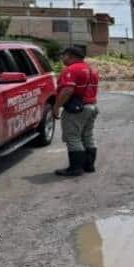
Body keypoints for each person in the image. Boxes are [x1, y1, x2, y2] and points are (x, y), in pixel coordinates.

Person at [54, 46, 99, 177]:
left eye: (63, 55)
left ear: (70, 56)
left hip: (77, 110)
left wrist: (56, 106)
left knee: (73, 137)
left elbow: (67, 90)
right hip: (92, 106)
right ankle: (89, 165)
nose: (62, 58)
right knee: (88, 136)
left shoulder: (71, 70)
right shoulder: (92, 70)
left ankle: (75, 168)